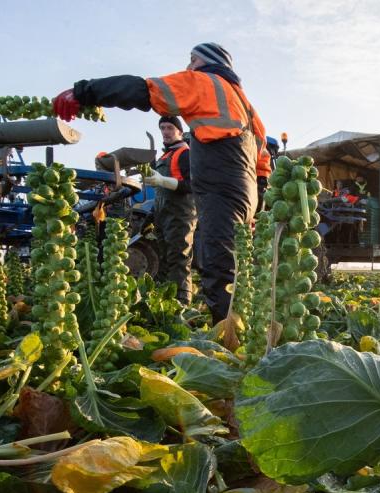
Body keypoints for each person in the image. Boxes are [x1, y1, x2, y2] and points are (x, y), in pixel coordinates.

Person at [53, 42, 271, 323]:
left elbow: (145, 90)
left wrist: (84, 92)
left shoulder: (205, 83)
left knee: (217, 262)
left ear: (207, 62)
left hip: (220, 186)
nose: (188, 66)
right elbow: (263, 156)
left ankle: (230, 337)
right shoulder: (247, 106)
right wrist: (260, 194)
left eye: (192, 60)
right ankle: (239, 324)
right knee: (230, 258)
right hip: (244, 188)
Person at [143, 115, 195, 305]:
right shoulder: (164, 157)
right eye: (162, 128)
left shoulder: (185, 153)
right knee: (164, 260)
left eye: (169, 128)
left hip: (181, 214)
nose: (165, 132)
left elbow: (192, 185)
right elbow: (160, 194)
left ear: (180, 132)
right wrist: (150, 216)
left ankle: (183, 305)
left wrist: (163, 181)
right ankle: (167, 304)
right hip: (163, 215)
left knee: (179, 259)